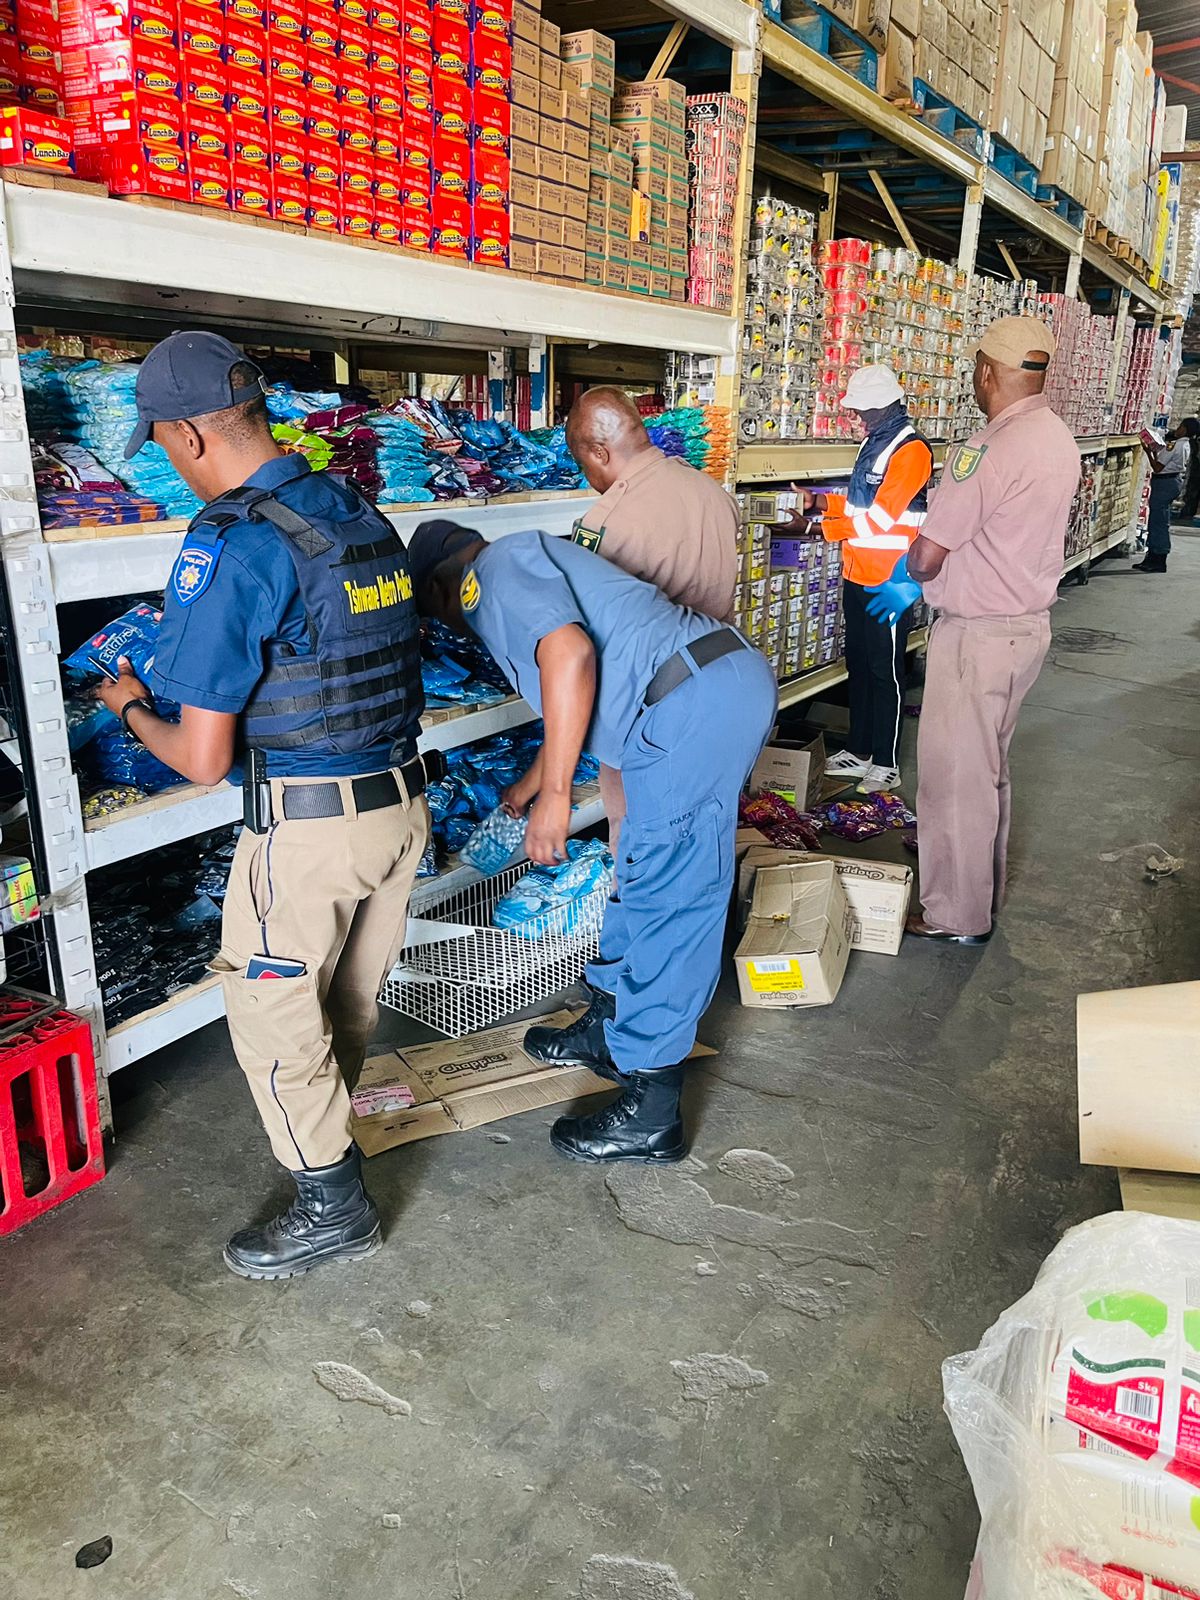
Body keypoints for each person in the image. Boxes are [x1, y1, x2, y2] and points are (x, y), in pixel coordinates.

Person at [94, 331, 432, 1280]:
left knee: (275, 1011)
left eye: (160, 441)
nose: (165, 459)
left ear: (193, 436)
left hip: (312, 830)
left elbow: (203, 760)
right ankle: (333, 1156)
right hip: (399, 809)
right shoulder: (351, 506)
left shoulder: (234, 542)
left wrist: (127, 705)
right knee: (341, 1004)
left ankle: (332, 1206)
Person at [405, 520, 776, 1165]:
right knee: (640, 871)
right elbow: (572, 689)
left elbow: (570, 656)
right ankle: (611, 1028)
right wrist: (531, 783)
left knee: (673, 898)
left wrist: (555, 798)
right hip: (693, 694)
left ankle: (652, 1109)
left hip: (690, 704)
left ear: (440, 583)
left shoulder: (491, 574)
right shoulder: (521, 565)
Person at [867, 315, 1080, 945]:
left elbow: (929, 555)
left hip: (977, 635)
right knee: (988, 769)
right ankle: (976, 887)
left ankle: (955, 914)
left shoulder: (988, 449)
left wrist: (909, 576)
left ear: (986, 371)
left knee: (955, 778)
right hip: (1024, 631)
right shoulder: (1056, 438)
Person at [563, 385, 739, 854]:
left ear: (600, 451)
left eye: (585, 467)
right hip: (724, 693)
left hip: (648, 715)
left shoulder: (609, 521)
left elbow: (587, 635)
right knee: (705, 831)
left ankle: (641, 922)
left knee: (639, 841)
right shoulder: (711, 493)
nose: (589, 479)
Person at [776, 365, 932, 793]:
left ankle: (886, 760)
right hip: (857, 573)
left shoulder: (911, 450)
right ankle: (861, 751)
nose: (858, 417)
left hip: (891, 581)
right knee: (860, 666)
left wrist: (814, 530)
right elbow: (860, 504)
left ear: (884, 405)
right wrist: (820, 502)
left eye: (863, 410)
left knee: (887, 672)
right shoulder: (874, 442)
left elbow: (881, 520)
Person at [1136, 422, 1191, 573]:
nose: (1177, 429)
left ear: (1185, 429)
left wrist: (1147, 451)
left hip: (1164, 483)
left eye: (1180, 427)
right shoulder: (1185, 445)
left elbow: (1157, 467)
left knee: (1158, 522)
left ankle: (1158, 558)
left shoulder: (1174, 445)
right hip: (1171, 481)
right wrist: (1154, 451)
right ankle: (1153, 557)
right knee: (1158, 519)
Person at [1178, 417, 1200, 522]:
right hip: (1194, 469)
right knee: (1192, 490)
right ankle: (1187, 512)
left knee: (1193, 490)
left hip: (1196, 470)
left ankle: (1188, 512)